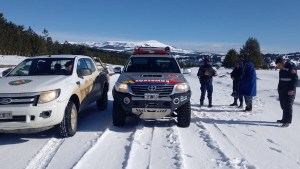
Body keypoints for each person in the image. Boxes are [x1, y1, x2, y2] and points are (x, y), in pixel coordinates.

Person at [275, 57, 298, 127]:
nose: (278, 67)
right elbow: (281, 80)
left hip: (289, 91)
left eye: (279, 65)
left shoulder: (291, 67)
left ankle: (287, 121)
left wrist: (291, 90)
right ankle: (284, 119)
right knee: (283, 105)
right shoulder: (281, 69)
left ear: (282, 63)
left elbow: (295, 79)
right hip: (282, 90)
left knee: (288, 106)